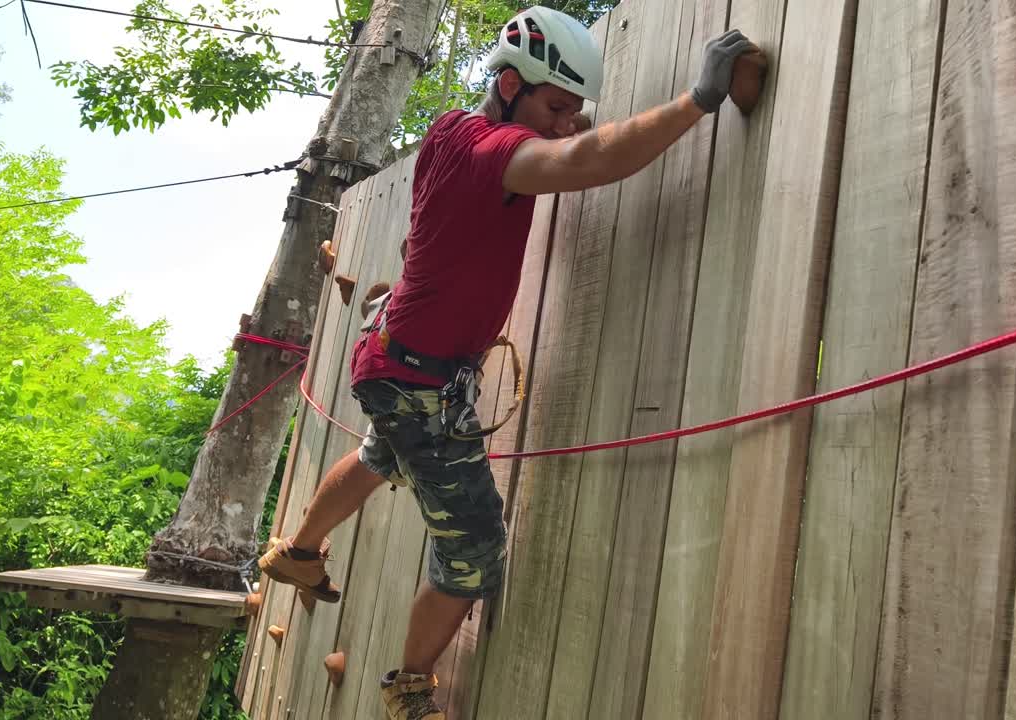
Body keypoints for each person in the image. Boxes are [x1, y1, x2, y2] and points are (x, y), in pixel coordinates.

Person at [257, 7, 754, 719]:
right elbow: (586, 161)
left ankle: (299, 552)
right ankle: (410, 690)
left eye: (571, 112)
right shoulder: (499, 155)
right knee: (474, 549)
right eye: (555, 106)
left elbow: (555, 145)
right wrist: (697, 99)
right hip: (421, 377)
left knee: (382, 457)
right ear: (513, 84)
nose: (563, 124)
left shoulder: (454, 131)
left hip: (396, 359)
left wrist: (560, 121)